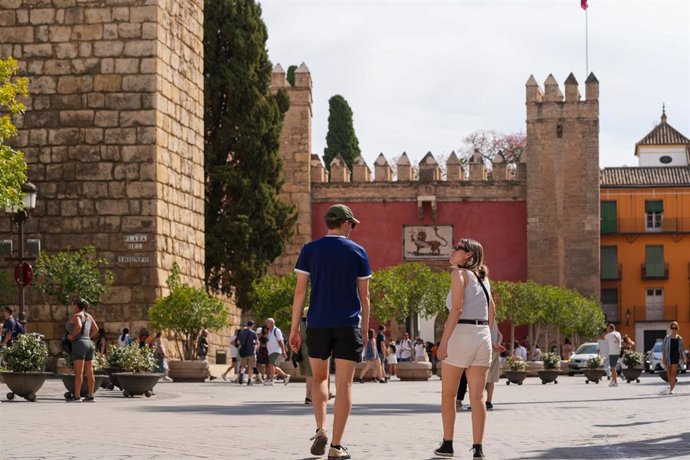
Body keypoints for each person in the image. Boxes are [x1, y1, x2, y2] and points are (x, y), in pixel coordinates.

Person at [289, 203, 372, 460]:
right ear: (345, 223)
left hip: (317, 324)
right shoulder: (358, 251)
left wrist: (294, 329)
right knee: (345, 384)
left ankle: (321, 428)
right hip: (348, 324)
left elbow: (300, 291)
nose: (352, 229)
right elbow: (365, 296)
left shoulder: (310, 250)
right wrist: (365, 329)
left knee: (319, 379)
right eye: (352, 225)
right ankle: (336, 446)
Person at [435, 238, 495, 459]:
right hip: (482, 336)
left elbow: (457, 309)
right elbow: (492, 311)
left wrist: (444, 341)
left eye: (457, 249)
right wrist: (489, 336)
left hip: (462, 334)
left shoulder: (458, 274)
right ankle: (478, 448)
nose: (453, 251)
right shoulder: (484, 278)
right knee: (478, 397)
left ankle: (448, 444)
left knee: (449, 394)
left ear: (468, 255)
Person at [65, 298, 99, 402]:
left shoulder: (76, 316)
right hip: (89, 343)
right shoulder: (89, 316)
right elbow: (96, 329)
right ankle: (90, 395)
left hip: (79, 343)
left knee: (79, 372)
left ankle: (77, 396)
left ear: (76, 305)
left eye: (72, 304)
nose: (72, 306)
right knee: (90, 371)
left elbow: (79, 326)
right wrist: (87, 336)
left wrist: (72, 336)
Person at [662, 321, 686, 395]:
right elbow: (663, 348)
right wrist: (664, 358)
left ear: (677, 328)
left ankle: (672, 389)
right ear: (670, 328)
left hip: (676, 357)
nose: (674, 329)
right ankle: (671, 383)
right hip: (668, 357)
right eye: (672, 327)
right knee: (668, 374)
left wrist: (684, 358)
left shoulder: (680, 338)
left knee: (673, 373)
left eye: (675, 328)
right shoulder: (667, 338)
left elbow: (682, 349)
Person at [485, 324, 505, 411]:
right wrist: (498, 344)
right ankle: (488, 402)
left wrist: (494, 344)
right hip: (496, 350)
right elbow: (500, 335)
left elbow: (485, 334)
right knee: (491, 378)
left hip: (487, 348)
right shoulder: (494, 321)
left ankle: (479, 402)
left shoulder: (484, 317)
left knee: (481, 377)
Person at [265, 318, 290, 386]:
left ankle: (271, 381)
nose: (266, 324)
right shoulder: (270, 331)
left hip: (275, 350)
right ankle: (285, 376)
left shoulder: (276, 330)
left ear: (272, 323)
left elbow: (281, 341)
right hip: (271, 351)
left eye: (267, 323)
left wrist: (283, 351)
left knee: (271, 365)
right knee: (273, 366)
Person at [233, 321, 259, 385]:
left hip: (243, 351)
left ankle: (242, 373)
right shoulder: (253, 333)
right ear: (252, 325)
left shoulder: (241, 332)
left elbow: (238, 342)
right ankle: (249, 380)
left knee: (243, 366)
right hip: (251, 352)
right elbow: (257, 342)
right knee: (251, 367)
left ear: (247, 325)